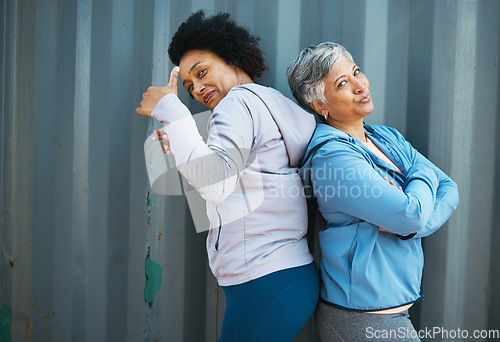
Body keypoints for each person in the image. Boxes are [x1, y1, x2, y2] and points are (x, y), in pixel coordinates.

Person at [136, 11, 319, 342]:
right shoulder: (270, 103)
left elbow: (216, 185)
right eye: (189, 86)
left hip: (264, 280)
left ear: (233, 57)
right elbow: (241, 185)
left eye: (202, 72)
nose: (198, 88)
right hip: (276, 279)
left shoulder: (235, 105)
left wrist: (171, 110)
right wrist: (182, 144)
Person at [287, 42, 459, 341]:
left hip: (393, 308)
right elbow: (412, 212)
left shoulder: (386, 137)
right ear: (320, 106)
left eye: (356, 72)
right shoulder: (333, 158)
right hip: (361, 317)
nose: (359, 85)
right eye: (342, 83)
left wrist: (410, 226)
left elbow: (449, 188)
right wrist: (420, 177)